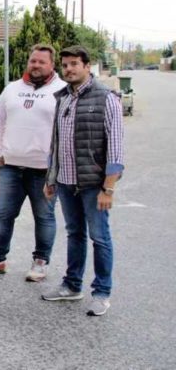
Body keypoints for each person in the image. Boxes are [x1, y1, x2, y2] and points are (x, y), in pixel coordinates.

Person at [41, 45, 124, 317]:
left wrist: (108, 188)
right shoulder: (62, 98)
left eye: (75, 64)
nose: (69, 69)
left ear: (88, 66)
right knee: (75, 234)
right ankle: (72, 285)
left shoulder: (106, 98)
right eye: (65, 65)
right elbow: (56, 142)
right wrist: (51, 178)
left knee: (100, 238)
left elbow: (115, 147)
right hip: (65, 183)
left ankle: (102, 292)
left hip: (93, 185)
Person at [0, 44, 67, 281]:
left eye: (41, 62)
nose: (35, 65)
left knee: (44, 217)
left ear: (51, 65)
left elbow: (68, 128)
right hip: (11, 167)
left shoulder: (63, 90)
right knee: (4, 215)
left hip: (44, 170)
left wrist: (58, 162)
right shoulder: (12, 89)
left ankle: (40, 263)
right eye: (33, 61)